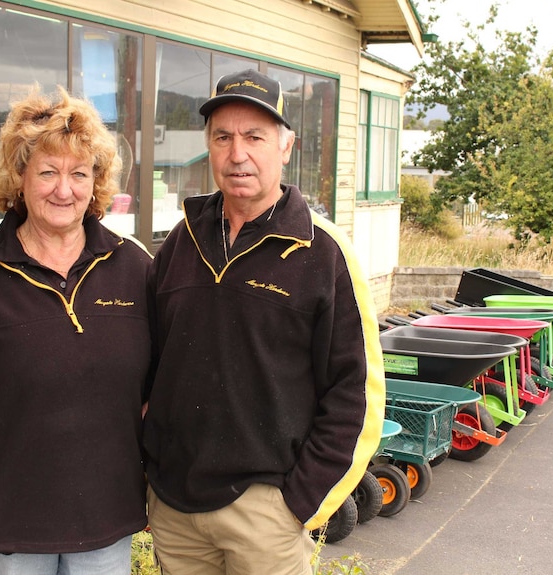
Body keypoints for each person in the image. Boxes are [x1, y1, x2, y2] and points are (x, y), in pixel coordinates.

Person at [143, 68, 385, 574]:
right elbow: (145, 369)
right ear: (208, 145)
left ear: (286, 146)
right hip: (175, 510)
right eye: (223, 137)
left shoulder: (324, 254)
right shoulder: (178, 245)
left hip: (266, 512)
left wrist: (300, 502)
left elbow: (356, 393)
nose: (238, 154)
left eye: (255, 137)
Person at [0, 86, 151, 575]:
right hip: (5, 528)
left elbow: (163, 383)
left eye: (79, 174)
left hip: (105, 520)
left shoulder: (134, 268)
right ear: (20, 177)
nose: (64, 189)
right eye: (48, 172)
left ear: (96, 183)